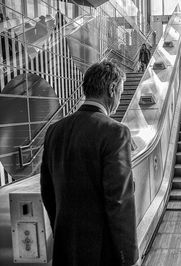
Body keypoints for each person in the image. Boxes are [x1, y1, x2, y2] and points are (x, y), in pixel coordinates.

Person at [40, 61, 139, 266]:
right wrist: (128, 257)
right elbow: (119, 200)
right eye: (120, 91)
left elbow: (47, 191)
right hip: (101, 254)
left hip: (65, 250)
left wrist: (62, 231)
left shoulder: (55, 130)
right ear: (112, 89)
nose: (119, 99)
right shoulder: (115, 132)